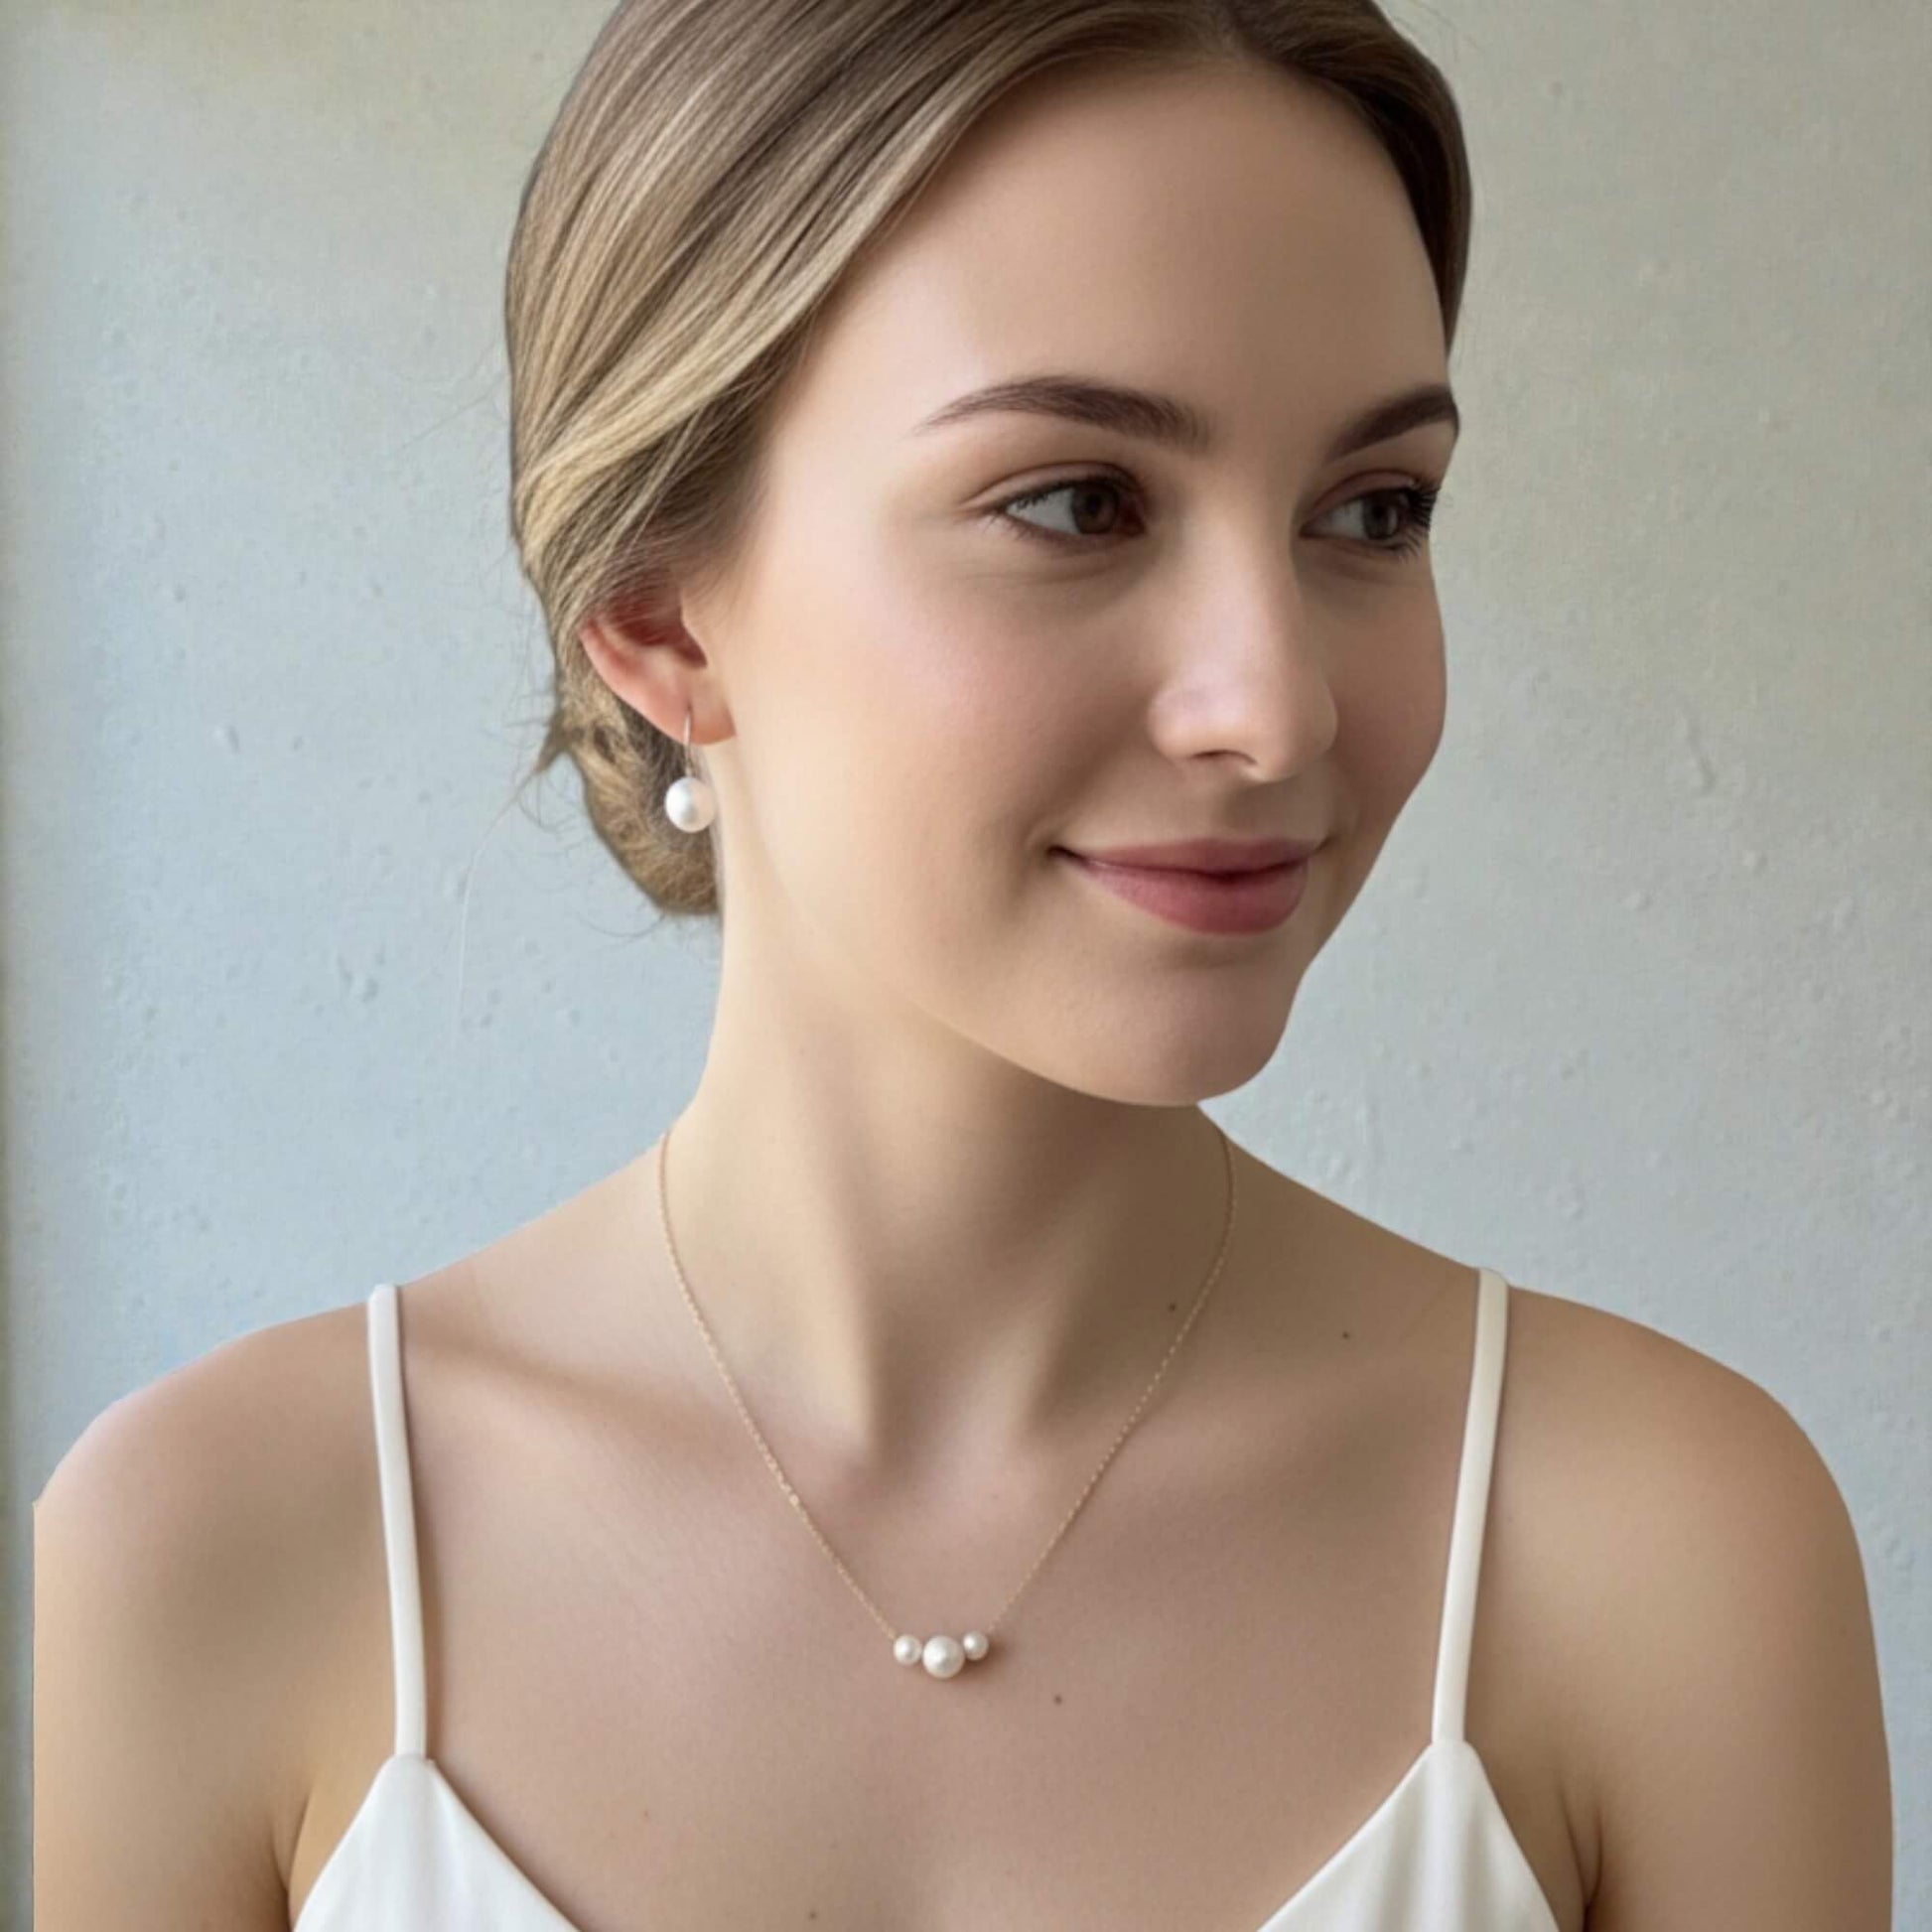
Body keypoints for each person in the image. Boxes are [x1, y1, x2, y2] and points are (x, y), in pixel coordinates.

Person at [35, 2, 1892, 1927]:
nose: (1275, 701)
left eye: (1371, 511)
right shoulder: (223, 1549)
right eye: (1078, 502)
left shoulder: (1654, 1555)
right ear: (660, 611)